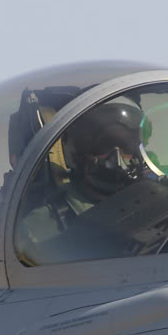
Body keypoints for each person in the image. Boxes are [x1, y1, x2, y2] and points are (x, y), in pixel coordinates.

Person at [19, 101, 147, 245]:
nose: (117, 159)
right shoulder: (40, 229)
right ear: (76, 153)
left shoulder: (157, 201)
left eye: (126, 145)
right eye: (103, 145)